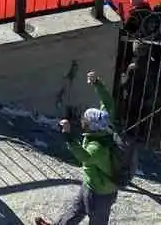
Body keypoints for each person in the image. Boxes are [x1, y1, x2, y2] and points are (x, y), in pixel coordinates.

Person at [37, 72, 121, 225]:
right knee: (76, 210)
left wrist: (68, 135)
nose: (82, 120)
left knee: (97, 221)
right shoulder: (106, 122)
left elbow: (83, 156)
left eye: (85, 120)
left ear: (90, 126)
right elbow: (108, 102)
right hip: (92, 185)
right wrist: (97, 83)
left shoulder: (97, 147)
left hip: (101, 193)